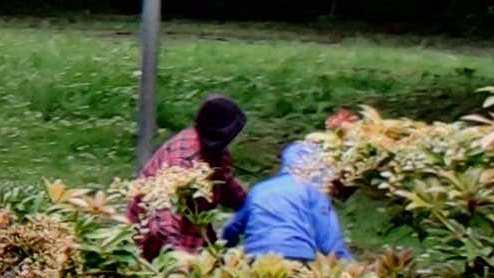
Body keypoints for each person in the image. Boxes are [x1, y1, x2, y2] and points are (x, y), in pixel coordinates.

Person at [128, 94, 252, 255]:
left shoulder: (214, 154)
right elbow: (163, 214)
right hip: (156, 247)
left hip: (194, 236)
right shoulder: (183, 159)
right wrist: (177, 257)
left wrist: (257, 203)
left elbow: (228, 189)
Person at [228, 137, 351, 261]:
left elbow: (232, 227)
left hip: (255, 256)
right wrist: (350, 265)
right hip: (296, 256)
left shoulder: (258, 189)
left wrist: (224, 250)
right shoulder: (312, 191)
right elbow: (329, 240)